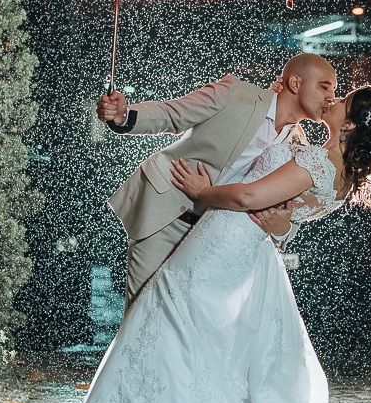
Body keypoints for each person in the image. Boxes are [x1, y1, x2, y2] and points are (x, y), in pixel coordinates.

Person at [64, 86, 371, 403]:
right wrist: (282, 227)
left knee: (166, 319)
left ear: (348, 124)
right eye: (328, 89)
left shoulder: (318, 159)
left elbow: (249, 196)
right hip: (241, 247)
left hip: (224, 239)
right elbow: (290, 211)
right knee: (189, 338)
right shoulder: (338, 171)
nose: (331, 98)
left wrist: (202, 193)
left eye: (340, 99)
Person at [97, 54, 338, 312]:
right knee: (141, 315)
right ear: (295, 83)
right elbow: (172, 114)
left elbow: (291, 213)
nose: (331, 97)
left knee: (184, 327)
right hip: (166, 215)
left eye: (334, 90)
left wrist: (281, 230)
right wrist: (124, 116)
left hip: (213, 242)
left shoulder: (300, 149)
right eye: (325, 86)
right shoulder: (236, 93)